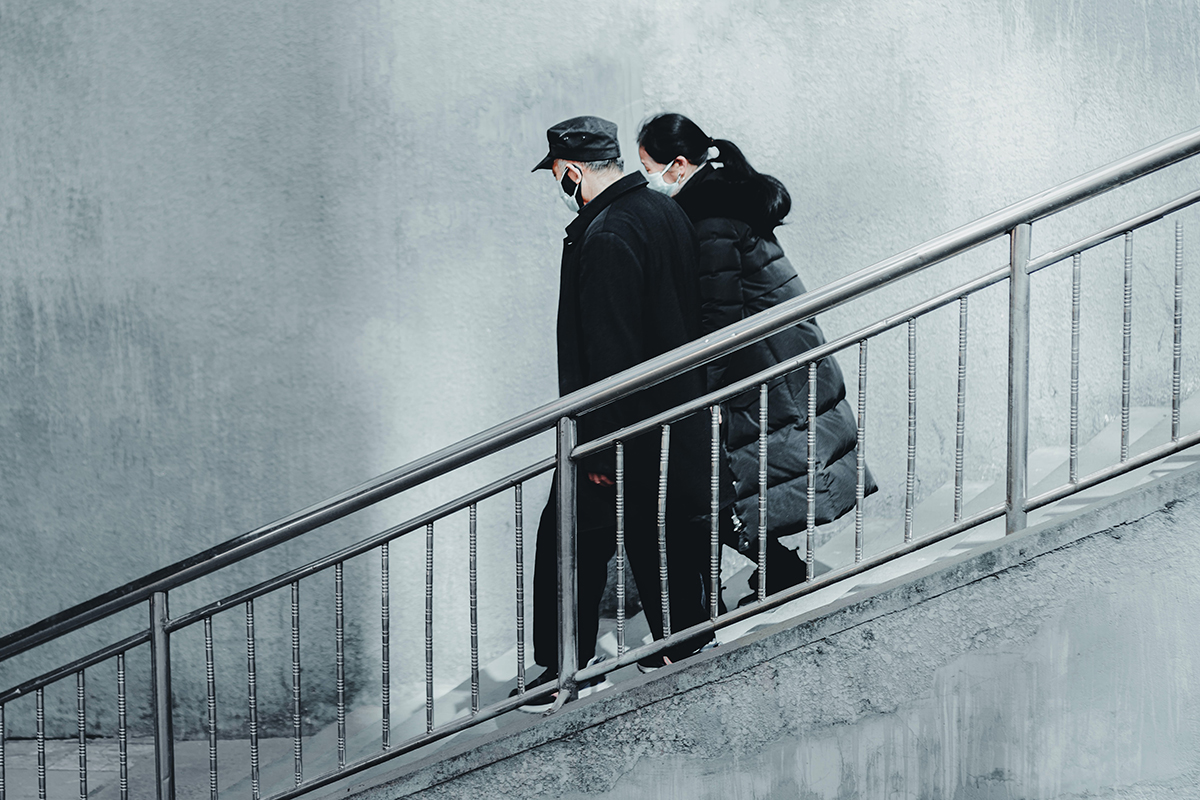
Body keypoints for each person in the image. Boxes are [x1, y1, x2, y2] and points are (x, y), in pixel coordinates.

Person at [636, 112, 877, 601]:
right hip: (775, 362)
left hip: (763, 369)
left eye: (648, 168)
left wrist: (702, 391)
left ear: (678, 165)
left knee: (717, 483)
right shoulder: (720, 200)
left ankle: (780, 571)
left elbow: (720, 316)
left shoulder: (709, 222)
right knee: (728, 483)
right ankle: (780, 569)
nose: (647, 181)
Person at [519, 116, 715, 706]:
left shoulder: (605, 235)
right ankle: (684, 640)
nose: (559, 182)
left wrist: (600, 443)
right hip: (672, 414)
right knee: (658, 530)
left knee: (569, 540)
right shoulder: (662, 212)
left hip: (618, 426)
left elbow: (611, 347)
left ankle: (565, 670)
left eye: (557, 172)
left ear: (573, 171)